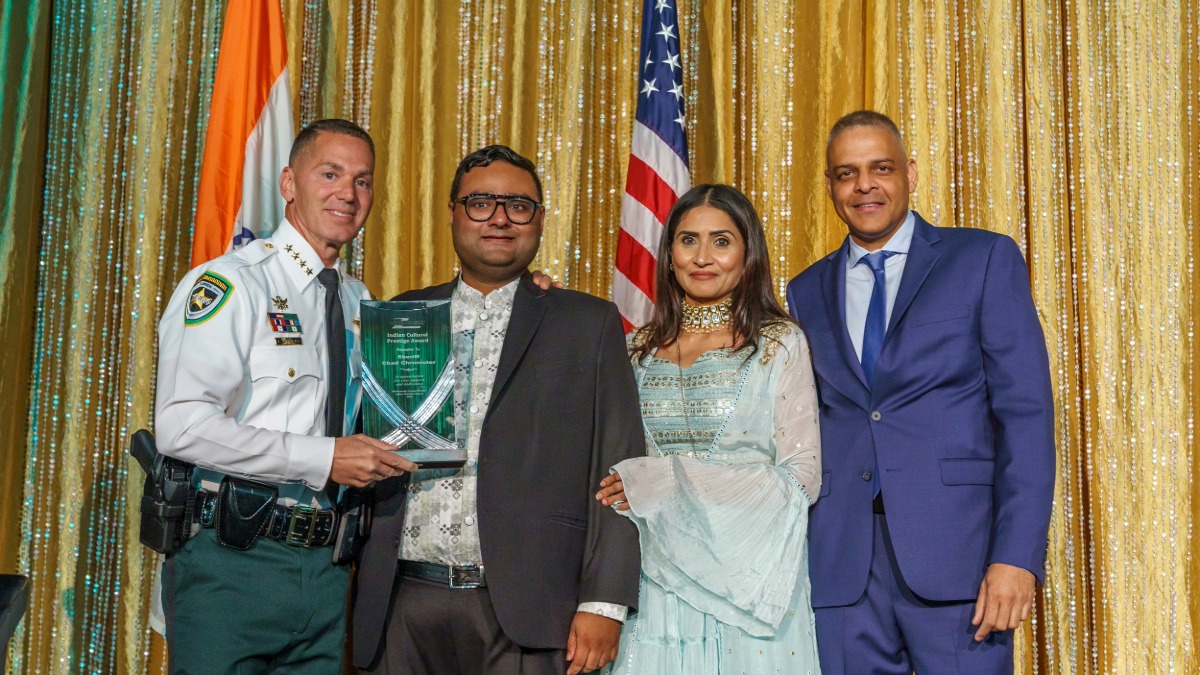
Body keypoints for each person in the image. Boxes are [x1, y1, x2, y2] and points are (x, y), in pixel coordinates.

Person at [352, 145, 645, 675]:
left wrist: (605, 602)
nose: (500, 218)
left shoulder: (587, 323)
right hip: (402, 600)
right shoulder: (400, 316)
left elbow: (621, 468)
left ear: (539, 219)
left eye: (519, 205)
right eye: (481, 202)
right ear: (453, 212)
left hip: (532, 606)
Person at [786, 110, 1055, 674]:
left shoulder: (981, 259)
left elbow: (1025, 417)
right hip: (842, 568)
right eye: (846, 173)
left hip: (961, 562)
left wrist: (1015, 557)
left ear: (909, 172)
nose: (864, 185)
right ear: (831, 186)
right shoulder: (806, 290)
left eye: (880, 167)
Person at [154, 119, 415, 673]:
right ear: (289, 182)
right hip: (233, 564)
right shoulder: (232, 284)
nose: (348, 193)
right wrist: (323, 458)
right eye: (331, 173)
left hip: (325, 570)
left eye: (363, 181)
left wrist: (521, 292)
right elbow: (182, 426)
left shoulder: (359, 302)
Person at [595, 184, 822, 674]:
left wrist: (670, 482)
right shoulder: (635, 351)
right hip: (656, 577)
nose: (702, 257)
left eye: (721, 241)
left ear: (748, 252)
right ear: (669, 253)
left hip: (751, 578)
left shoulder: (779, 344)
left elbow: (802, 476)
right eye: (687, 240)